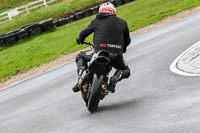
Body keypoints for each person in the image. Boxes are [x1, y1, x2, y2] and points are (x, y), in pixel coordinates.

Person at [72, 2, 131, 93]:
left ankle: (81, 77)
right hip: (115, 54)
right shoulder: (122, 22)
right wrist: (122, 49)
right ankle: (114, 80)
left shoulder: (96, 21)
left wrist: (80, 39)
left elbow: (83, 33)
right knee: (125, 69)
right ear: (113, 11)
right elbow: (127, 40)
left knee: (80, 55)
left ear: (100, 11)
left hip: (98, 51)